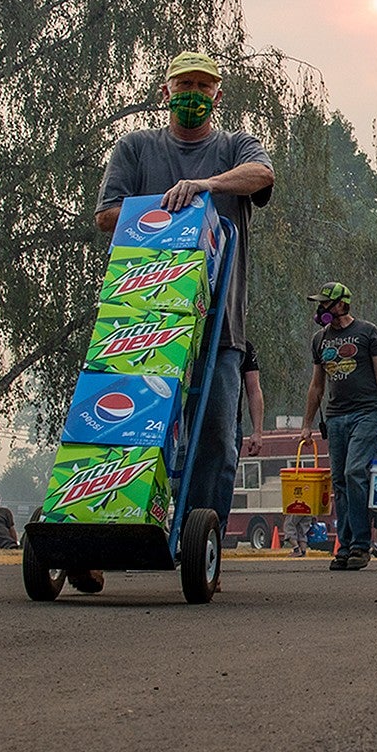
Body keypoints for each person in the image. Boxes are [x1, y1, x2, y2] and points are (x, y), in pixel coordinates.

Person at [95, 50, 275, 561]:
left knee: (215, 437)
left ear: (217, 96)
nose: (193, 94)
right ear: (165, 92)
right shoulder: (136, 148)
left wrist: (205, 186)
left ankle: (199, 544)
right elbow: (106, 214)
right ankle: (104, 530)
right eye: (184, 85)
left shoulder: (235, 146)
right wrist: (162, 207)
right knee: (121, 428)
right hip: (143, 320)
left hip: (220, 324)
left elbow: (262, 174)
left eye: (203, 85)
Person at [299, 282, 377, 571]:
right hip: (336, 417)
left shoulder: (367, 332)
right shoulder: (319, 340)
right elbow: (317, 384)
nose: (320, 310)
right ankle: (344, 548)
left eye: (326, 304)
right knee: (340, 482)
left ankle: (360, 544)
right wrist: (307, 424)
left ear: (342, 304)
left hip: (367, 414)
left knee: (354, 471)